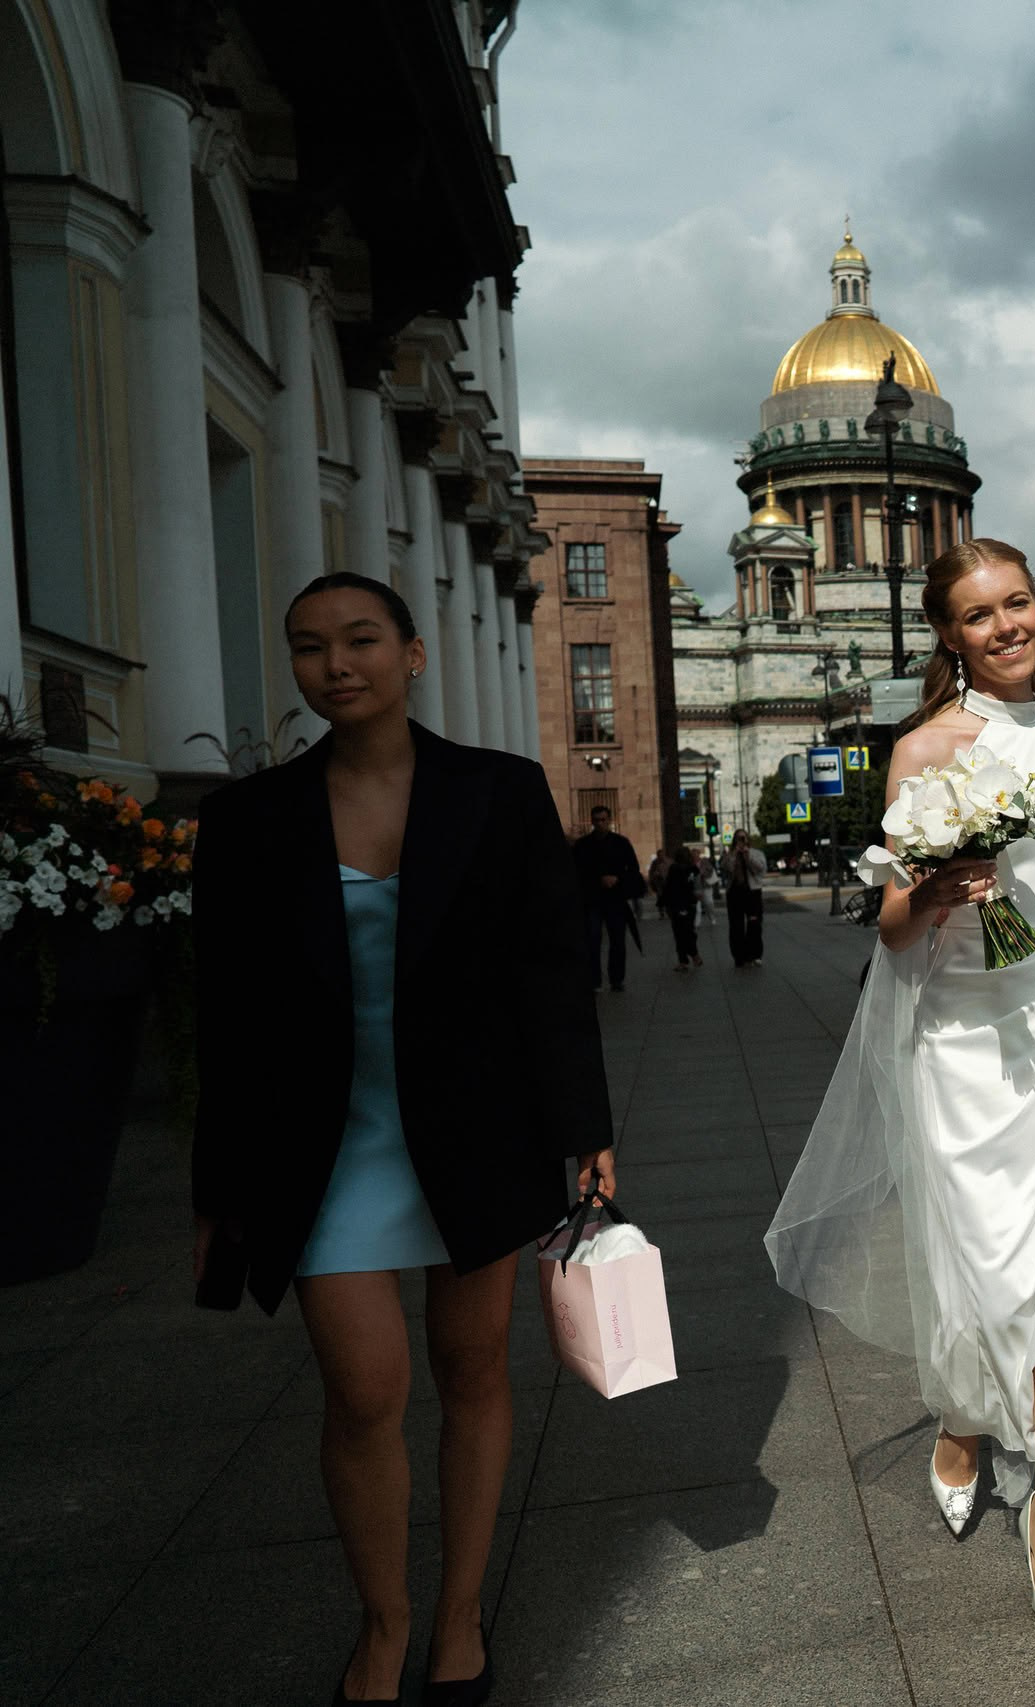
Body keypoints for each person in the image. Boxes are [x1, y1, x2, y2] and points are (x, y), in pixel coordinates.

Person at [191, 572, 614, 1706]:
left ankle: (461, 1612)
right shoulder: (245, 819)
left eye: (362, 639)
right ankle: (384, 1621)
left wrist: (587, 1131)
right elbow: (221, 1015)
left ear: (413, 653)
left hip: (477, 1132)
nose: (338, 664)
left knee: (472, 1369)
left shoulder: (500, 791)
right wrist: (213, 1188)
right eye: (310, 646)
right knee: (366, 1389)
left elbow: (550, 976)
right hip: (317, 1147)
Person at [767, 539, 1035, 1633]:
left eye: (1020, 603)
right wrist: (944, 892)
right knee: (981, 1274)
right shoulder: (920, 749)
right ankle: (964, 1422)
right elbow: (892, 928)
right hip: (962, 1040)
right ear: (948, 635)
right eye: (980, 614)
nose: (1009, 626)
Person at [573, 804, 645, 992]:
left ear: (609, 820)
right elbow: (576, 872)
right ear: (592, 821)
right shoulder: (582, 846)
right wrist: (598, 880)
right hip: (593, 899)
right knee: (592, 939)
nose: (600, 824)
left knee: (617, 940)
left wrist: (618, 879)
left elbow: (633, 869)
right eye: (597, 820)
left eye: (603, 820)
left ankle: (616, 978)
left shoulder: (621, 843)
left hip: (615, 898)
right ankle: (595, 980)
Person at [724, 830, 766, 967]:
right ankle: (739, 956)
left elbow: (760, 869)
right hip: (735, 893)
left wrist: (748, 856)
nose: (741, 841)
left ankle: (755, 954)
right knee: (736, 926)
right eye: (738, 838)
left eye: (743, 838)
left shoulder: (756, 853)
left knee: (754, 923)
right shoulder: (730, 854)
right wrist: (734, 854)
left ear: (748, 839)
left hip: (752, 892)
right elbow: (727, 869)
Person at [661, 844, 704, 969]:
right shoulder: (693, 869)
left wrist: (665, 904)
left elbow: (668, 887)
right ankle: (691, 956)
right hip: (690, 903)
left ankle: (687, 958)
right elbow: (697, 885)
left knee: (679, 933)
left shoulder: (674, 869)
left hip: (676, 904)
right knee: (689, 931)